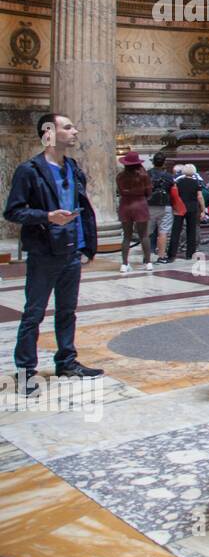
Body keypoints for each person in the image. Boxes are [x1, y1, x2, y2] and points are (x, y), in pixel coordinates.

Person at [5, 113, 104, 395]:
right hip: (44, 252)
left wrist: (87, 244)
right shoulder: (30, 170)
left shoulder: (73, 167)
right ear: (49, 133)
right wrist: (47, 216)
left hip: (72, 250)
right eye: (68, 127)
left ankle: (67, 361)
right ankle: (25, 372)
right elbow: (13, 211)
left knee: (67, 311)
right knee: (33, 313)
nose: (76, 131)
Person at [115, 152, 152, 274]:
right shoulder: (143, 176)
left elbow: (120, 191)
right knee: (144, 235)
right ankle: (148, 263)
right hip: (140, 203)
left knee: (126, 236)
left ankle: (124, 264)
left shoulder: (120, 176)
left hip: (125, 204)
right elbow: (149, 192)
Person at [171, 164, 206, 261]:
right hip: (192, 208)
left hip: (180, 207)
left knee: (176, 231)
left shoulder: (178, 182)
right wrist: (203, 209)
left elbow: (175, 194)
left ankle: (172, 253)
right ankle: (190, 254)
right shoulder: (196, 183)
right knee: (191, 231)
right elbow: (199, 196)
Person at [145, 152, 175, 263]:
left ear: (153, 162)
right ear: (164, 163)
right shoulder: (169, 176)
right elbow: (173, 191)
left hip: (150, 205)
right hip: (165, 205)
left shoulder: (147, 174)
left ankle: (146, 257)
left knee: (146, 233)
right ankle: (161, 256)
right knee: (163, 232)